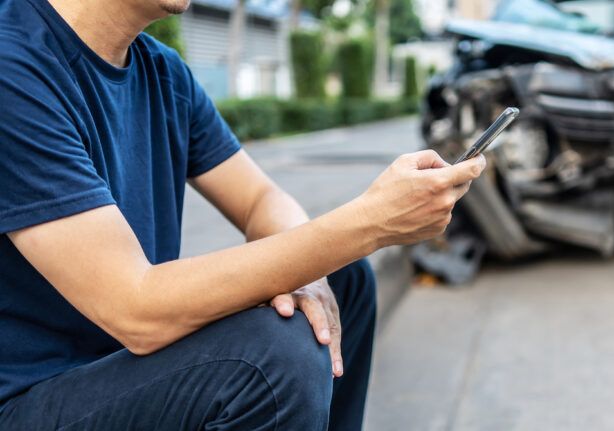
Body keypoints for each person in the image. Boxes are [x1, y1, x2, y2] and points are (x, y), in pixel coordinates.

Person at [0, 0, 486, 429]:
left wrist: (311, 273)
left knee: (342, 278)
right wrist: (370, 224)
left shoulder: (163, 73)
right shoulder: (13, 66)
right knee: (274, 358)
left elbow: (259, 201)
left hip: (116, 366)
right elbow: (135, 308)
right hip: (31, 399)